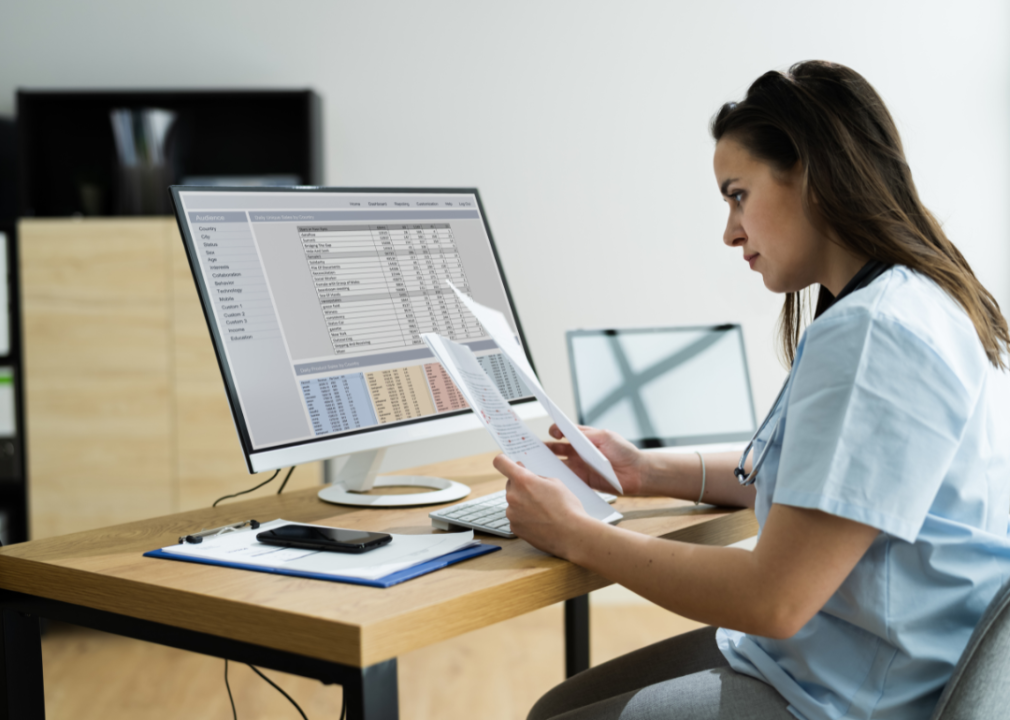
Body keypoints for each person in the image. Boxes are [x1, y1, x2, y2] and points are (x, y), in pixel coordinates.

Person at [495, 60, 1010, 720]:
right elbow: (829, 491)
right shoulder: (922, 301)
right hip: (865, 661)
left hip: (850, 697)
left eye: (737, 195)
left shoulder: (875, 332)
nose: (730, 231)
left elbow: (776, 598)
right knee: (560, 704)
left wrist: (577, 535)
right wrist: (645, 469)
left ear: (812, 176)